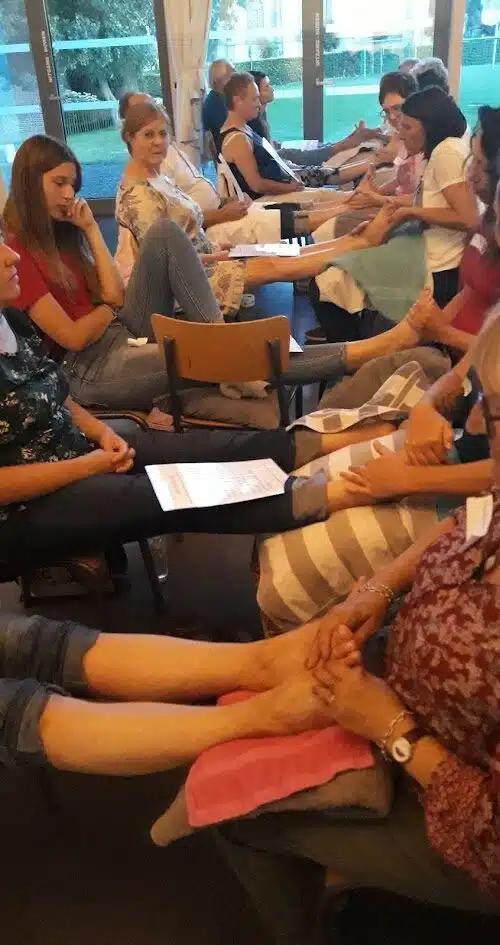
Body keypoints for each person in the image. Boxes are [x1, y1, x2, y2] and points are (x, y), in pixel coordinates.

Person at [218, 304, 500, 941]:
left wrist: (392, 729)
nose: (477, 422)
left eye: (494, 411)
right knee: (262, 690)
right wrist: (373, 591)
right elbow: (470, 519)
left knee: (235, 813)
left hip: (437, 788)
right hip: (403, 684)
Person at [312, 86, 479, 343]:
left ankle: (354, 349)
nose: (400, 134)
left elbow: (468, 218)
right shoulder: (442, 151)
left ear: (430, 126)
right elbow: (432, 201)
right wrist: (392, 204)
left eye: (408, 127)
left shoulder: (446, 152)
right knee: (333, 274)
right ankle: (356, 342)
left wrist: (410, 211)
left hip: (435, 265)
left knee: (328, 280)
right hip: (423, 251)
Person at [219, 73, 347, 198]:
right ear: (237, 100)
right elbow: (257, 185)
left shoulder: (244, 128)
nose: (258, 104)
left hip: (280, 183)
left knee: (329, 190)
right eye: (254, 99)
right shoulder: (237, 139)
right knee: (329, 195)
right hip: (265, 200)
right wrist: (290, 187)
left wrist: (290, 173)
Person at [247, 70, 382, 168]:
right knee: (295, 152)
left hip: (276, 152)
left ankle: (347, 141)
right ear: (256, 93)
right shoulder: (252, 120)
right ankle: (345, 144)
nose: (272, 89)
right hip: (277, 160)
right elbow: (266, 154)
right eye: (267, 87)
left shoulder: (261, 114)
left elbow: (269, 143)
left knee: (316, 146)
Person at [201, 58, 234, 152]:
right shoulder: (216, 103)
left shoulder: (216, 98)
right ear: (223, 80)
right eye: (233, 73)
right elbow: (231, 132)